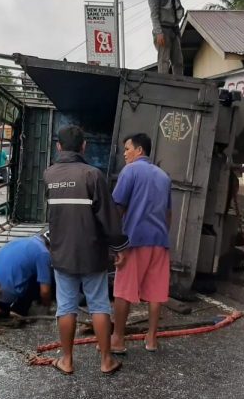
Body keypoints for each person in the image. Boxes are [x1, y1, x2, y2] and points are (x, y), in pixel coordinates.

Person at [44, 125, 128, 376]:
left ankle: (67, 361)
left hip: (63, 253)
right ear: (84, 146)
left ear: (58, 147)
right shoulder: (93, 175)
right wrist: (119, 246)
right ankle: (106, 361)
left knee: (66, 307)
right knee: (99, 305)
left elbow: (51, 215)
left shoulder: (49, 174)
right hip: (92, 253)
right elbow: (109, 218)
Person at [111, 133, 171, 354]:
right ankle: (152, 338)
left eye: (127, 149)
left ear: (139, 151)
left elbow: (117, 207)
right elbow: (168, 213)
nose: (125, 153)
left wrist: (114, 241)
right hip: (160, 241)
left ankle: (117, 339)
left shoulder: (131, 170)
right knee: (156, 291)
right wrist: (163, 234)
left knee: (124, 290)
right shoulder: (164, 176)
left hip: (135, 240)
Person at [0, 230, 53, 319]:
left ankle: (1, 308)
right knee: (40, 277)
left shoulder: (22, 240)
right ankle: (19, 311)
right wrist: (47, 307)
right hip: (5, 290)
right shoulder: (43, 253)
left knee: (19, 271)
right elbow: (45, 291)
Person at [148, 0, 184, 75]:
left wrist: (178, 32)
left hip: (174, 29)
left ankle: (180, 85)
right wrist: (158, 32)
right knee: (164, 61)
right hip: (162, 30)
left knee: (178, 61)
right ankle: (163, 88)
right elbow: (154, 15)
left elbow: (175, 12)